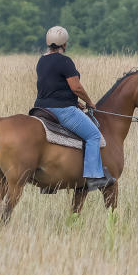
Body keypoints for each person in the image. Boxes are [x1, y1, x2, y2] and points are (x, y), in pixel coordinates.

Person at [34, 25, 114, 191]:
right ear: (64, 43)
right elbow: (76, 87)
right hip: (62, 110)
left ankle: (48, 182)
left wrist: (73, 100)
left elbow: (51, 86)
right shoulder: (65, 61)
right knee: (93, 135)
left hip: (41, 109)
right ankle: (93, 177)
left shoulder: (41, 60)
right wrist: (89, 102)